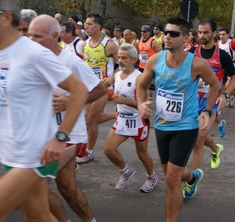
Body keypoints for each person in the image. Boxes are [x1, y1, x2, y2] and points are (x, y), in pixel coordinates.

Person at [0, 0, 88, 221]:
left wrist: (61, 137)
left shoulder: (33, 53)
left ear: (6, 17)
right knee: (38, 217)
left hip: (36, 154)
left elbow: (79, 89)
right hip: (10, 152)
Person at [137, 17, 219, 222]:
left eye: (173, 34)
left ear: (185, 38)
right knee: (174, 174)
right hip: (162, 125)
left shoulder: (197, 64)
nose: (167, 37)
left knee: (172, 180)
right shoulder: (156, 60)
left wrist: (208, 111)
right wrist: (141, 104)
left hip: (186, 126)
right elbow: (141, 85)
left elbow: (215, 84)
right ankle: (192, 177)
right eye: (166, 32)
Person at [29, 14, 107, 222]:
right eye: (30, 36)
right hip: (44, 134)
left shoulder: (71, 62)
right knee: (67, 188)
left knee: (33, 184)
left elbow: (100, 90)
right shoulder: (34, 61)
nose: (31, 41)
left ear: (55, 36)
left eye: (37, 36)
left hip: (70, 135)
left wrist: (69, 101)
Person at [104, 44, 158, 193]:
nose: (120, 61)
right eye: (119, 57)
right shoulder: (116, 75)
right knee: (109, 150)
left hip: (138, 120)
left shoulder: (139, 78)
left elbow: (145, 104)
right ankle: (125, 171)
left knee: (142, 154)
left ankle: (151, 177)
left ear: (134, 59)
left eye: (124, 58)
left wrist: (125, 101)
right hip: (122, 119)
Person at [188, 19, 235, 171]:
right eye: (200, 32)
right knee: (195, 137)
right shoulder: (192, 53)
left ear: (214, 33)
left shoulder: (222, 55)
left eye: (206, 32)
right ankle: (216, 148)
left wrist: (225, 95)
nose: (202, 35)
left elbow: (234, 77)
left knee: (198, 141)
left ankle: (191, 182)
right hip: (192, 101)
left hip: (211, 102)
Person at [77, 12, 119, 164]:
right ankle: (117, 115)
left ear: (98, 26)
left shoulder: (109, 45)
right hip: (89, 87)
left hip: (102, 88)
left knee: (91, 120)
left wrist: (112, 77)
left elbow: (124, 64)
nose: (85, 27)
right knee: (90, 119)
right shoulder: (84, 44)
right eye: (85, 24)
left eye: (89, 24)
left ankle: (89, 152)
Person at [218, 27, 235, 110]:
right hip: (222, 69)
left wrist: (232, 59)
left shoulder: (231, 43)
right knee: (225, 88)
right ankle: (231, 98)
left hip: (231, 68)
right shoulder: (218, 44)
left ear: (227, 35)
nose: (221, 36)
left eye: (223, 34)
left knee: (229, 88)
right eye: (220, 34)